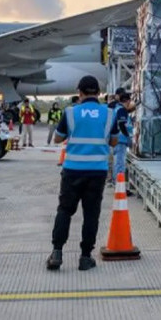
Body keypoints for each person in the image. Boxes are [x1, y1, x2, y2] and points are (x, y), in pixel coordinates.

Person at [46, 75, 120, 272]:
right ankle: (85, 257)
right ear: (98, 93)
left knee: (65, 210)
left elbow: (58, 138)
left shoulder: (70, 112)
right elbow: (114, 141)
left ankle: (57, 253)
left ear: (79, 92)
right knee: (91, 214)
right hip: (97, 172)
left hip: (72, 170)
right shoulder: (109, 113)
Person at [112, 92, 135, 190]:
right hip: (121, 139)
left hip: (118, 139)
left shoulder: (118, 108)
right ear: (128, 101)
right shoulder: (121, 110)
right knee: (120, 164)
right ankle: (120, 187)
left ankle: (117, 184)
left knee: (117, 163)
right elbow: (121, 124)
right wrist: (128, 136)